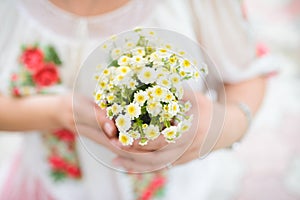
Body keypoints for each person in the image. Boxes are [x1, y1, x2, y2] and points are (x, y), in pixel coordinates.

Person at [0, 0, 275, 199]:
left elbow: (247, 74)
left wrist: (221, 127)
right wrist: (59, 112)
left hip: (173, 190)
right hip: (52, 188)